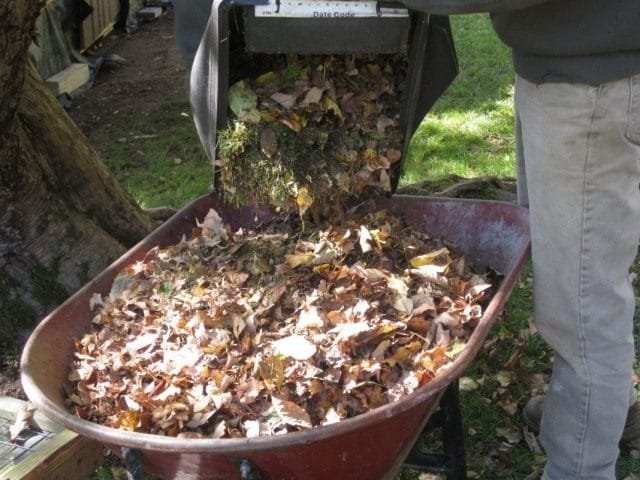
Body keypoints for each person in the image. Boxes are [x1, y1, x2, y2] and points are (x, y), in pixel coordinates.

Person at [400, 0, 640, 478]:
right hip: (571, 72)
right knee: (577, 272)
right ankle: (599, 414)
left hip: (593, 87)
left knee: (583, 302)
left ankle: (581, 467)